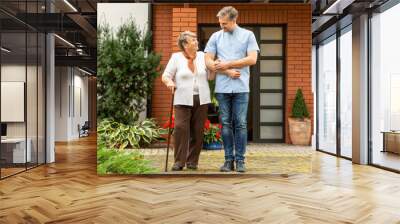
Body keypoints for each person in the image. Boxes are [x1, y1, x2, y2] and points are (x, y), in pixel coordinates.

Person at [205, 6, 259, 172]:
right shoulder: (215, 36)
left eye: (225, 23)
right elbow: (208, 60)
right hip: (222, 88)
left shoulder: (248, 35)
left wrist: (228, 63)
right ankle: (228, 160)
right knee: (226, 124)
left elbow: (252, 59)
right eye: (220, 23)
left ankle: (240, 160)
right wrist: (227, 71)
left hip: (241, 88)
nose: (222, 26)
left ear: (234, 20)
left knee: (241, 124)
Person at [162, 31, 215, 171]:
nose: (197, 41)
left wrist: (214, 68)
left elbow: (210, 77)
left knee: (197, 131)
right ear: (185, 44)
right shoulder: (176, 58)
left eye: (196, 39)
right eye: (193, 40)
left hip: (201, 98)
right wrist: (169, 83)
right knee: (180, 128)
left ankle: (192, 161)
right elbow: (166, 76)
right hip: (182, 98)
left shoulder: (203, 56)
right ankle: (179, 161)